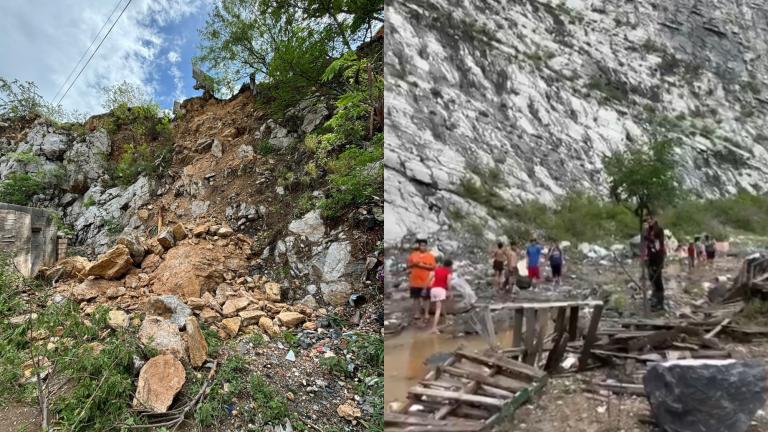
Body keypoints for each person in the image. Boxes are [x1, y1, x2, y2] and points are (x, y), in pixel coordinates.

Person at [407, 239, 436, 323]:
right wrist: (414, 264)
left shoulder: (430, 256)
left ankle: (426, 314)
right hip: (414, 281)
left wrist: (421, 265)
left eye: (424, 245)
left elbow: (433, 267)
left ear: (427, 246)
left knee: (426, 298)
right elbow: (408, 265)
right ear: (419, 246)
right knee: (416, 298)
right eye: (421, 245)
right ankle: (417, 313)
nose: (423, 247)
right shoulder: (413, 255)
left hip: (426, 281)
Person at [644, 214, 666, 312]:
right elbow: (647, 246)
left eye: (650, 219)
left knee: (657, 280)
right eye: (647, 219)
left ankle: (660, 303)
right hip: (650, 258)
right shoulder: (648, 230)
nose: (648, 221)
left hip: (657, 258)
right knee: (651, 278)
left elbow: (657, 245)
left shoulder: (658, 230)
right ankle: (654, 298)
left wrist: (647, 237)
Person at [428, 259, 453, 334]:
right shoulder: (448, 272)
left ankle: (446, 320)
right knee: (438, 309)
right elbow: (448, 283)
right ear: (450, 266)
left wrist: (426, 287)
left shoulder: (437, 270)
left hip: (433, 289)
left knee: (442, 305)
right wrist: (450, 292)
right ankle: (434, 328)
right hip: (440, 290)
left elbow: (430, 278)